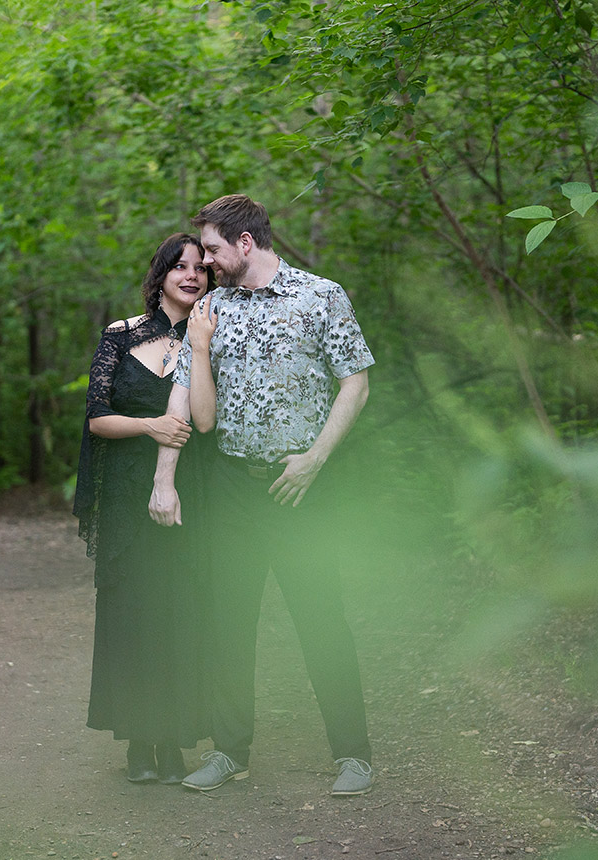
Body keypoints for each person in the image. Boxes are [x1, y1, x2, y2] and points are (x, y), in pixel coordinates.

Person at [149, 194, 376, 797]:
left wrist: (315, 459)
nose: (206, 262)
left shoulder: (321, 296)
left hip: (300, 487)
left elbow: (356, 383)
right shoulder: (211, 310)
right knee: (229, 619)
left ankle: (353, 755)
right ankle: (230, 752)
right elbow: (191, 404)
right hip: (232, 487)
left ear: (245, 243)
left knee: (321, 617)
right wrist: (164, 475)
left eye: (213, 250)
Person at [74, 232, 213, 784]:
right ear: (160, 275)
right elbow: (97, 418)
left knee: (178, 609)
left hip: (187, 491)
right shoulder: (121, 334)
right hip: (126, 494)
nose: (192, 275)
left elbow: (207, 418)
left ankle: (173, 740)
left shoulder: (210, 337)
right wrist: (149, 425)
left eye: (200, 267)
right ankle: (137, 740)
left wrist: (202, 348)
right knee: (132, 611)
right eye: (180, 266)